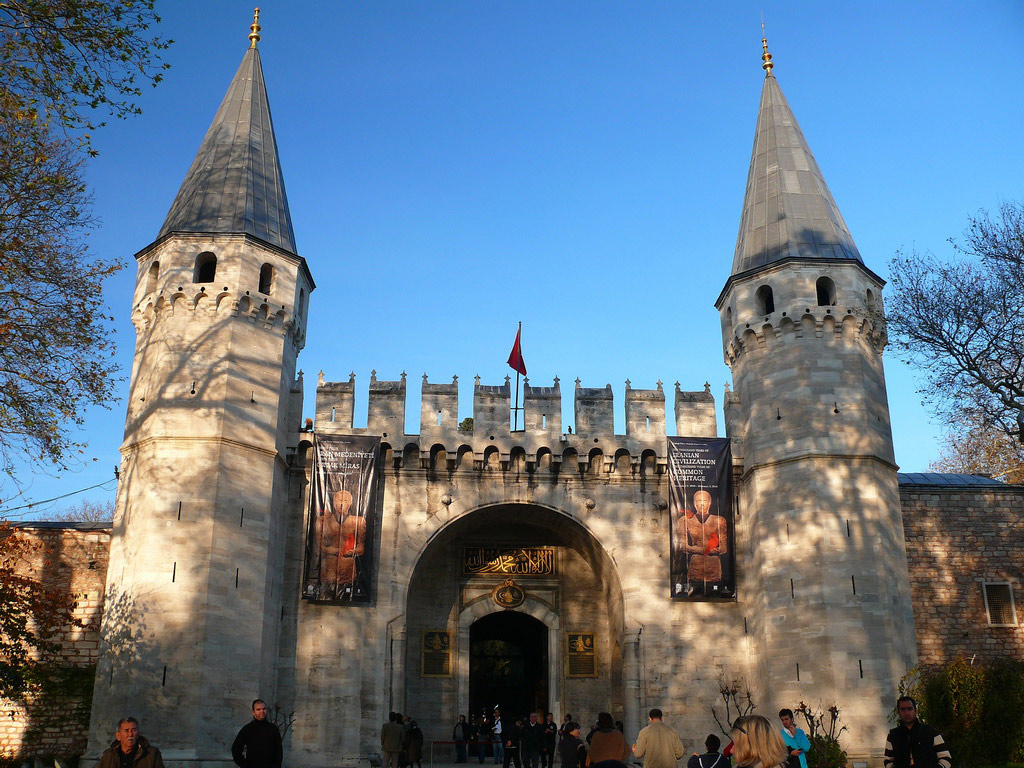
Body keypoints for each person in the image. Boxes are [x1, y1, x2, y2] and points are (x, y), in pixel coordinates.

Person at [884, 696, 952, 768]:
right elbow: (888, 760)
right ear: (899, 712)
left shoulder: (930, 732)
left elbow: (946, 758)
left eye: (910, 709)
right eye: (903, 709)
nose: (907, 713)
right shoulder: (893, 735)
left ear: (915, 711)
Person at [231, 700, 282, 768]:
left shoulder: (273, 729)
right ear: (253, 712)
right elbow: (236, 748)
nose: (262, 711)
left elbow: (279, 751)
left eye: (264, 709)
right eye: (258, 709)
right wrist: (244, 764)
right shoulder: (247, 729)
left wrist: (276, 766)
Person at [98, 717, 164, 768]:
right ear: (118, 736)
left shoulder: (152, 754)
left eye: (134, 730)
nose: (130, 734)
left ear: (138, 734)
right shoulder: (108, 755)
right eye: (126, 730)